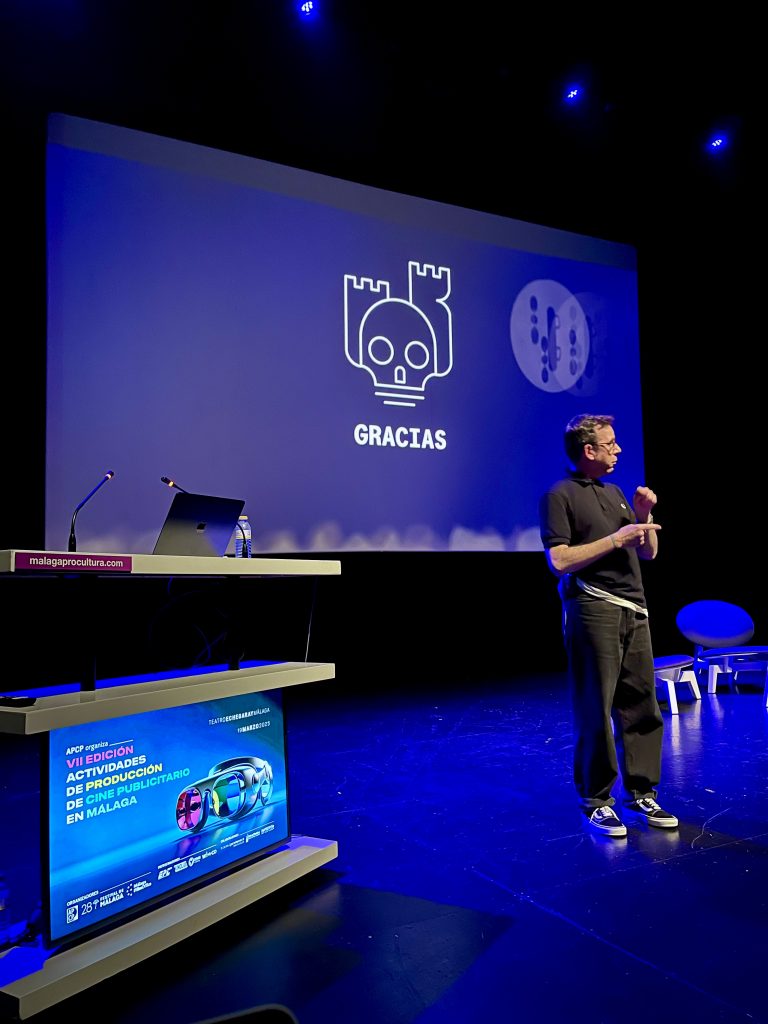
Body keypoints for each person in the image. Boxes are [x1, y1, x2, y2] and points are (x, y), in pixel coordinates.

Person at [538, 413, 678, 837]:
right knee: (596, 708)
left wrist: (643, 515)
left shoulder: (615, 493)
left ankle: (642, 792)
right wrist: (617, 539)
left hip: (634, 608)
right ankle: (597, 800)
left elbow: (648, 553)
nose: (618, 449)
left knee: (642, 705)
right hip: (593, 607)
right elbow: (559, 560)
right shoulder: (559, 495)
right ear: (589, 450)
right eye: (610, 443)